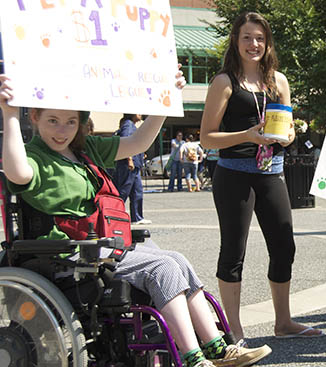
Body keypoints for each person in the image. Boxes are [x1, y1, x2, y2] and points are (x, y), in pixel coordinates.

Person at [0, 72, 271, 367]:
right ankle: (194, 358)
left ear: (80, 122)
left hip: (100, 245)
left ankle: (218, 349)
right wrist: (10, 115)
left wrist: (166, 103)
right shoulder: (34, 156)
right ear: (36, 118)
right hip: (68, 254)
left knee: (177, 259)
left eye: (70, 121)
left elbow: (139, 143)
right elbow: (18, 174)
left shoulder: (84, 150)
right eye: (52, 120)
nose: (61, 130)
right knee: (163, 266)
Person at [199, 12, 322, 342]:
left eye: (259, 38)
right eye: (246, 38)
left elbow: (290, 130)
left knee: (284, 247)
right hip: (233, 174)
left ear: (267, 43)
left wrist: (287, 137)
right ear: (236, 42)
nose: (253, 44)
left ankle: (283, 322)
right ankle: (234, 330)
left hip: (272, 171)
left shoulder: (278, 81)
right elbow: (207, 138)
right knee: (233, 251)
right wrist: (248, 135)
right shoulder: (225, 82)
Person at [114, 114, 150, 225]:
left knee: (137, 191)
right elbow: (125, 140)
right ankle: (114, 214)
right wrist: (129, 158)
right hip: (128, 164)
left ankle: (137, 217)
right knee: (123, 190)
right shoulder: (128, 125)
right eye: (137, 112)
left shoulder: (131, 125)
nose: (140, 114)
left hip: (135, 165)